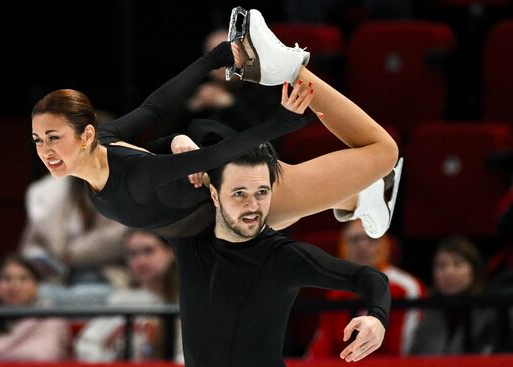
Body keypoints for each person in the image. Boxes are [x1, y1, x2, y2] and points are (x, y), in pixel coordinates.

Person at [30, 8, 399, 240]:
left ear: (87, 135)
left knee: (379, 158)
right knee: (384, 151)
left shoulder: (114, 153)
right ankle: (286, 69)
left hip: (246, 185)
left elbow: (155, 106)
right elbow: (205, 158)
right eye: (38, 140)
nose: (45, 151)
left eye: (53, 137)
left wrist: (213, 59)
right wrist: (279, 123)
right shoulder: (126, 177)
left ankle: (364, 199)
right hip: (257, 198)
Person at [169, 143, 390, 366]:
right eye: (239, 194)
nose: (252, 206)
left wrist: (377, 317)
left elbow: (368, 276)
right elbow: (136, 159)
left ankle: (364, 193)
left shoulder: (281, 258)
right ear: (215, 195)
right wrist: (176, 140)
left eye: (261, 193)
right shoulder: (188, 239)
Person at [307, 220, 426, 357]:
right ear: (343, 247)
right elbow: (320, 350)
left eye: (371, 238)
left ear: (385, 245)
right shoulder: (336, 293)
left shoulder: (406, 288)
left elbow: (403, 352)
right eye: (354, 240)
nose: (362, 246)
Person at [75, 229, 184, 363]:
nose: (141, 261)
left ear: (170, 252)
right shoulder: (122, 301)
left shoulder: (185, 302)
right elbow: (86, 344)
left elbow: (189, 354)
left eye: (148, 251)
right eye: (133, 254)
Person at [20, 174, 129, 306]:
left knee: (87, 295)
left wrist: (70, 254)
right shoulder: (44, 191)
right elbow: (30, 244)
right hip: (58, 278)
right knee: (41, 293)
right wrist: (40, 257)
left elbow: (122, 234)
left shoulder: (121, 183)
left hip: (108, 275)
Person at [0, 255, 70, 361]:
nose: (14, 285)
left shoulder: (51, 318)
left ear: (36, 287)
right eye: (6, 278)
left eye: (23, 279)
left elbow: (42, 355)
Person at [409, 236, 498, 355]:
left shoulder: (492, 311)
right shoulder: (424, 311)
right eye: (441, 266)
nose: (449, 272)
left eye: (457, 264)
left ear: (473, 270)